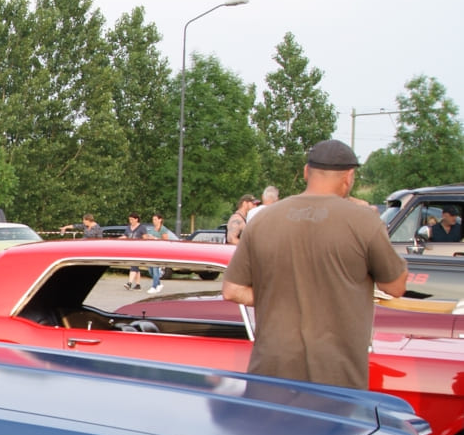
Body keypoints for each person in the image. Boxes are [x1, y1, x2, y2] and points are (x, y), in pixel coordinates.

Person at [222, 140, 406, 389]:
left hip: (270, 373)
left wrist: (280, 296)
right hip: (338, 377)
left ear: (307, 172)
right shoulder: (365, 221)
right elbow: (395, 286)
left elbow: (232, 290)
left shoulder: (263, 219)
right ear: (349, 177)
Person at [144, 211, 177, 293]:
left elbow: (165, 241)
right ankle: (158, 284)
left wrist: (155, 238)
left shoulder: (163, 229)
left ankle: (154, 286)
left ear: (160, 220)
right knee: (150, 270)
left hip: (159, 252)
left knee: (155, 269)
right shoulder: (151, 229)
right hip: (151, 251)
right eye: (153, 219)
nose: (153, 221)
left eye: (155, 219)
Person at [122, 212, 149, 289]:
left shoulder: (142, 227)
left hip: (139, 249)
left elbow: (145, 238)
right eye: (129, 220)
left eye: (132, 219)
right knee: (135, 265)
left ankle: (129, 283)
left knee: (134, 265)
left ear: (136, 219)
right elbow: (125, 236)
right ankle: (138, 284)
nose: (131, 221)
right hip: (131, 249)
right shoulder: (128, 227)